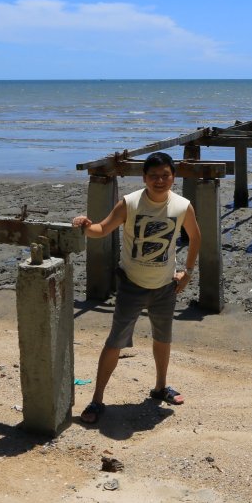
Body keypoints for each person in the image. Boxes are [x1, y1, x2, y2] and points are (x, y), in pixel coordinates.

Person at [71, 151, 201, 424]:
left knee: (163, 339)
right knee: (114, 342)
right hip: (131, 285)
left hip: (166, 287)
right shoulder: (129, 203)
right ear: (144, 178)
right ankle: (96, 399)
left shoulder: (182, 206)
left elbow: (196, 238)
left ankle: (160, 387)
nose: (160, 180)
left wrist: (187, 273)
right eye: (153, 176)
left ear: (173, 177)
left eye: (165, 175)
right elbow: (102, 229)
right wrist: (84, 225)